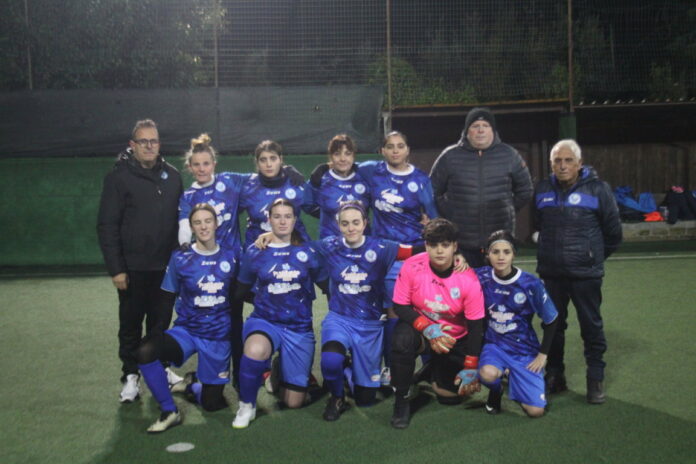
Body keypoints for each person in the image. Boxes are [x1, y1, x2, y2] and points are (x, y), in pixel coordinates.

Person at [177, 134, 303, 389]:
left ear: (214, 164)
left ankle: (244, 374)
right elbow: (183, 228)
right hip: (203, 270)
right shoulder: (188, 196)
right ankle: (206, 373)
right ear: (189, 167)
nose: (202, 169)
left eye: (206, 163)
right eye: (196, 164)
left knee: (237, 320)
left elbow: (264, 176)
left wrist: (287, 170)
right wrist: (186, 246)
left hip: (234, 267)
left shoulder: (230, 181)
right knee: (209, 319)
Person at [97, 119, 184, 402]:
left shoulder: (173, 177)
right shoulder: (118, 178)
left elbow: (181, 222)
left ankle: (160, 367)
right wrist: (116, 269)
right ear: (132, 145)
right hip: (132, 270)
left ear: (159, 144)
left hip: (166, 269)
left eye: (153, 141)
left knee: (160, 325)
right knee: (131, 326)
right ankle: (131, 375)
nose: (149, 146)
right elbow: (107, 226)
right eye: (143, 141)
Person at [135, 203, 239, 433]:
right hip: (187, 331)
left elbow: (242, 292)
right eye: (197, 222)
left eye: (208, 221)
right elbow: (166, 297)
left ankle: (193, 386)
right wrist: (157, 332)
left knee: (212, 404)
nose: (203, 226)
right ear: (191, 227)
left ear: (216, 224)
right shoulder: (181, 258)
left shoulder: (232, 255)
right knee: (146, 351)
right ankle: (169, 411)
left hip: (218, 336)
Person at [534, 139, 622, 404]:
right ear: (551, 164)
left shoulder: (598, 189)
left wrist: (591, 257)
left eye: (568, 160)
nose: (563, 166)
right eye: (557, 161)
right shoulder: (542, 189)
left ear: (579, 164)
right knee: (553, 326)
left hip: (585, 275)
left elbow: (613, 233)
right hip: (552, 274)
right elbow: (540, 226)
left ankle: (595, 379)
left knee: (591, 327)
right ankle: (555, 375)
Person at [232, 198, 328, 428]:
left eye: (287, 216)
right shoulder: (255, 251)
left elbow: (327, 286)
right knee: (255, 350)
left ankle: (277, 370)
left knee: (294, 402)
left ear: (295, 220)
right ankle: (247, 405)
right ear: (269, 219)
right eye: (277, 216)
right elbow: (240, 291)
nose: (283, 221)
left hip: (299, 327)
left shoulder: (308, 251)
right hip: (266, 321)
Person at [390, 218, 485, 429]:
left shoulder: (468, 279)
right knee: (402, 341)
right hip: (422, 328)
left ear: (454, 246)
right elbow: (400, 305)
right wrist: (428, 328)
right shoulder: (412, 265)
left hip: (453, 338)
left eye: (445, 245)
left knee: (449, 397)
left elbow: (476, 325)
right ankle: (401, 401)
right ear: (426, 246)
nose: (439, 251)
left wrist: (471, 365)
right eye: (433, 245)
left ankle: (430, 368)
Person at [430, 107, 533, 267]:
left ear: (493, 130)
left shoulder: (509, 155)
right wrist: (450, 212)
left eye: (485, 126)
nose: (480, 130)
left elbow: (526, 190)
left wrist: (507, 208)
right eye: (475, 126)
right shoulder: (449, 156)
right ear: (467, 131)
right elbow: (432, 191)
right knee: (462, 283)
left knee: (497, 284)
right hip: (461, 243)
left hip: (498, 243)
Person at [475, 230, 558, 417]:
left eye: (506, 252)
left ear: (514, 254)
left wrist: (543, 355)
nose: (501, 257)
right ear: (487, 254)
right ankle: (496, 391)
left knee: (536, 411)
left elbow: (551, 320)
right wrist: (460, 261)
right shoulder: (481, 276)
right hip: (494, 346)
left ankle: (512, 374)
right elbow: (455, 273)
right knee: (487, 374)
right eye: (495, 252)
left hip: (524, 350)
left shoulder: (530, 284)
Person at [239, 140, 311, 248]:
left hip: (294, 249)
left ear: (280, 160)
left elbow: (318, 209)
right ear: (257, 162)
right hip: (258, 249)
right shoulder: (248, 187)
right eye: (263, 160)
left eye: (273, 159)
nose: (268, 164)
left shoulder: (295, 183)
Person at [302, 134, 371, 238]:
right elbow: (307, 205)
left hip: (362, 242)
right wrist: (328, 214)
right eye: (337, 154)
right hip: (330, 243)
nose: (343, 159)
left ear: (353, 156)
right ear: (330, 157)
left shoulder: (364, 176)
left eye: (348, 154)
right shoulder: (320, 178)